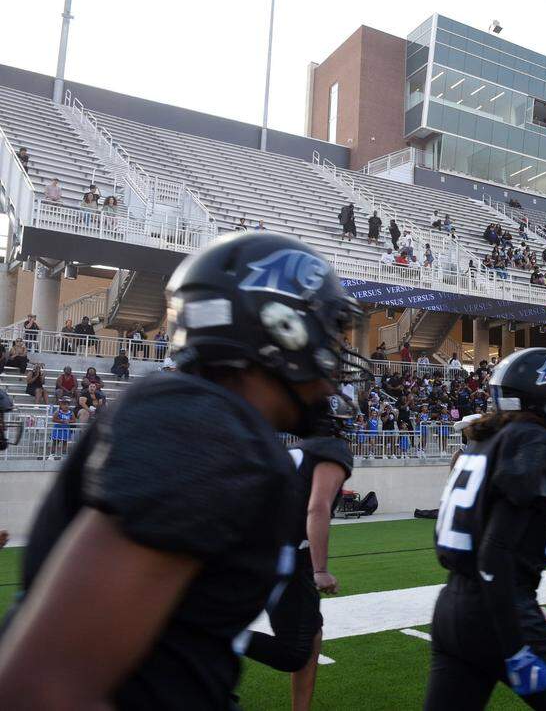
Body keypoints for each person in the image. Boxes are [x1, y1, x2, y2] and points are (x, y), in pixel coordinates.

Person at [0, 232, 368, 708]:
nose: (336, 354)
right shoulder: (201, 432)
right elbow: (47, 683)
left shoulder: (213, 424)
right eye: (328, 330)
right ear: (283, 329)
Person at [423, 348, 546, 711]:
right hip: (500, 608)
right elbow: (495, 554)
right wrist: (515, 646)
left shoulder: (484, 440)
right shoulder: (533, 441)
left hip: (452, 607)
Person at [246, 397, 356, 711]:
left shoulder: (295, 451)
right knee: (294, 652)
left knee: (312, 632)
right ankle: (222, 636)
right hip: (282, 556)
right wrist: (320, 569)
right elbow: (317, 507)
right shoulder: (331, 451)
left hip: (272, 551)